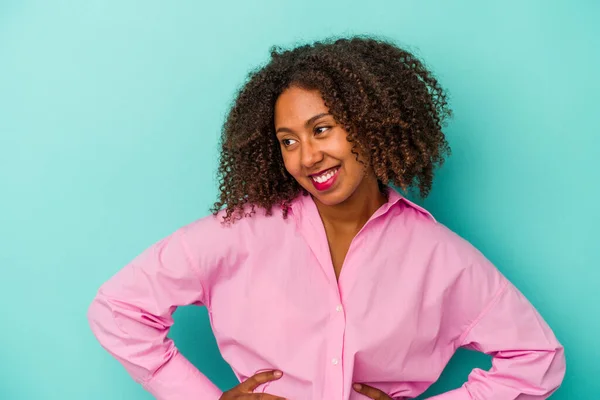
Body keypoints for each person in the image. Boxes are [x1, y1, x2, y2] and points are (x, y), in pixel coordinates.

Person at [87, 36, 565, 400]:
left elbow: (538, 358)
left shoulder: (439, 256)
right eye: (288, 140)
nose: (307, 156)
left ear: (370, 122)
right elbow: (117, 310)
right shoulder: (240, 234)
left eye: (321, 130)